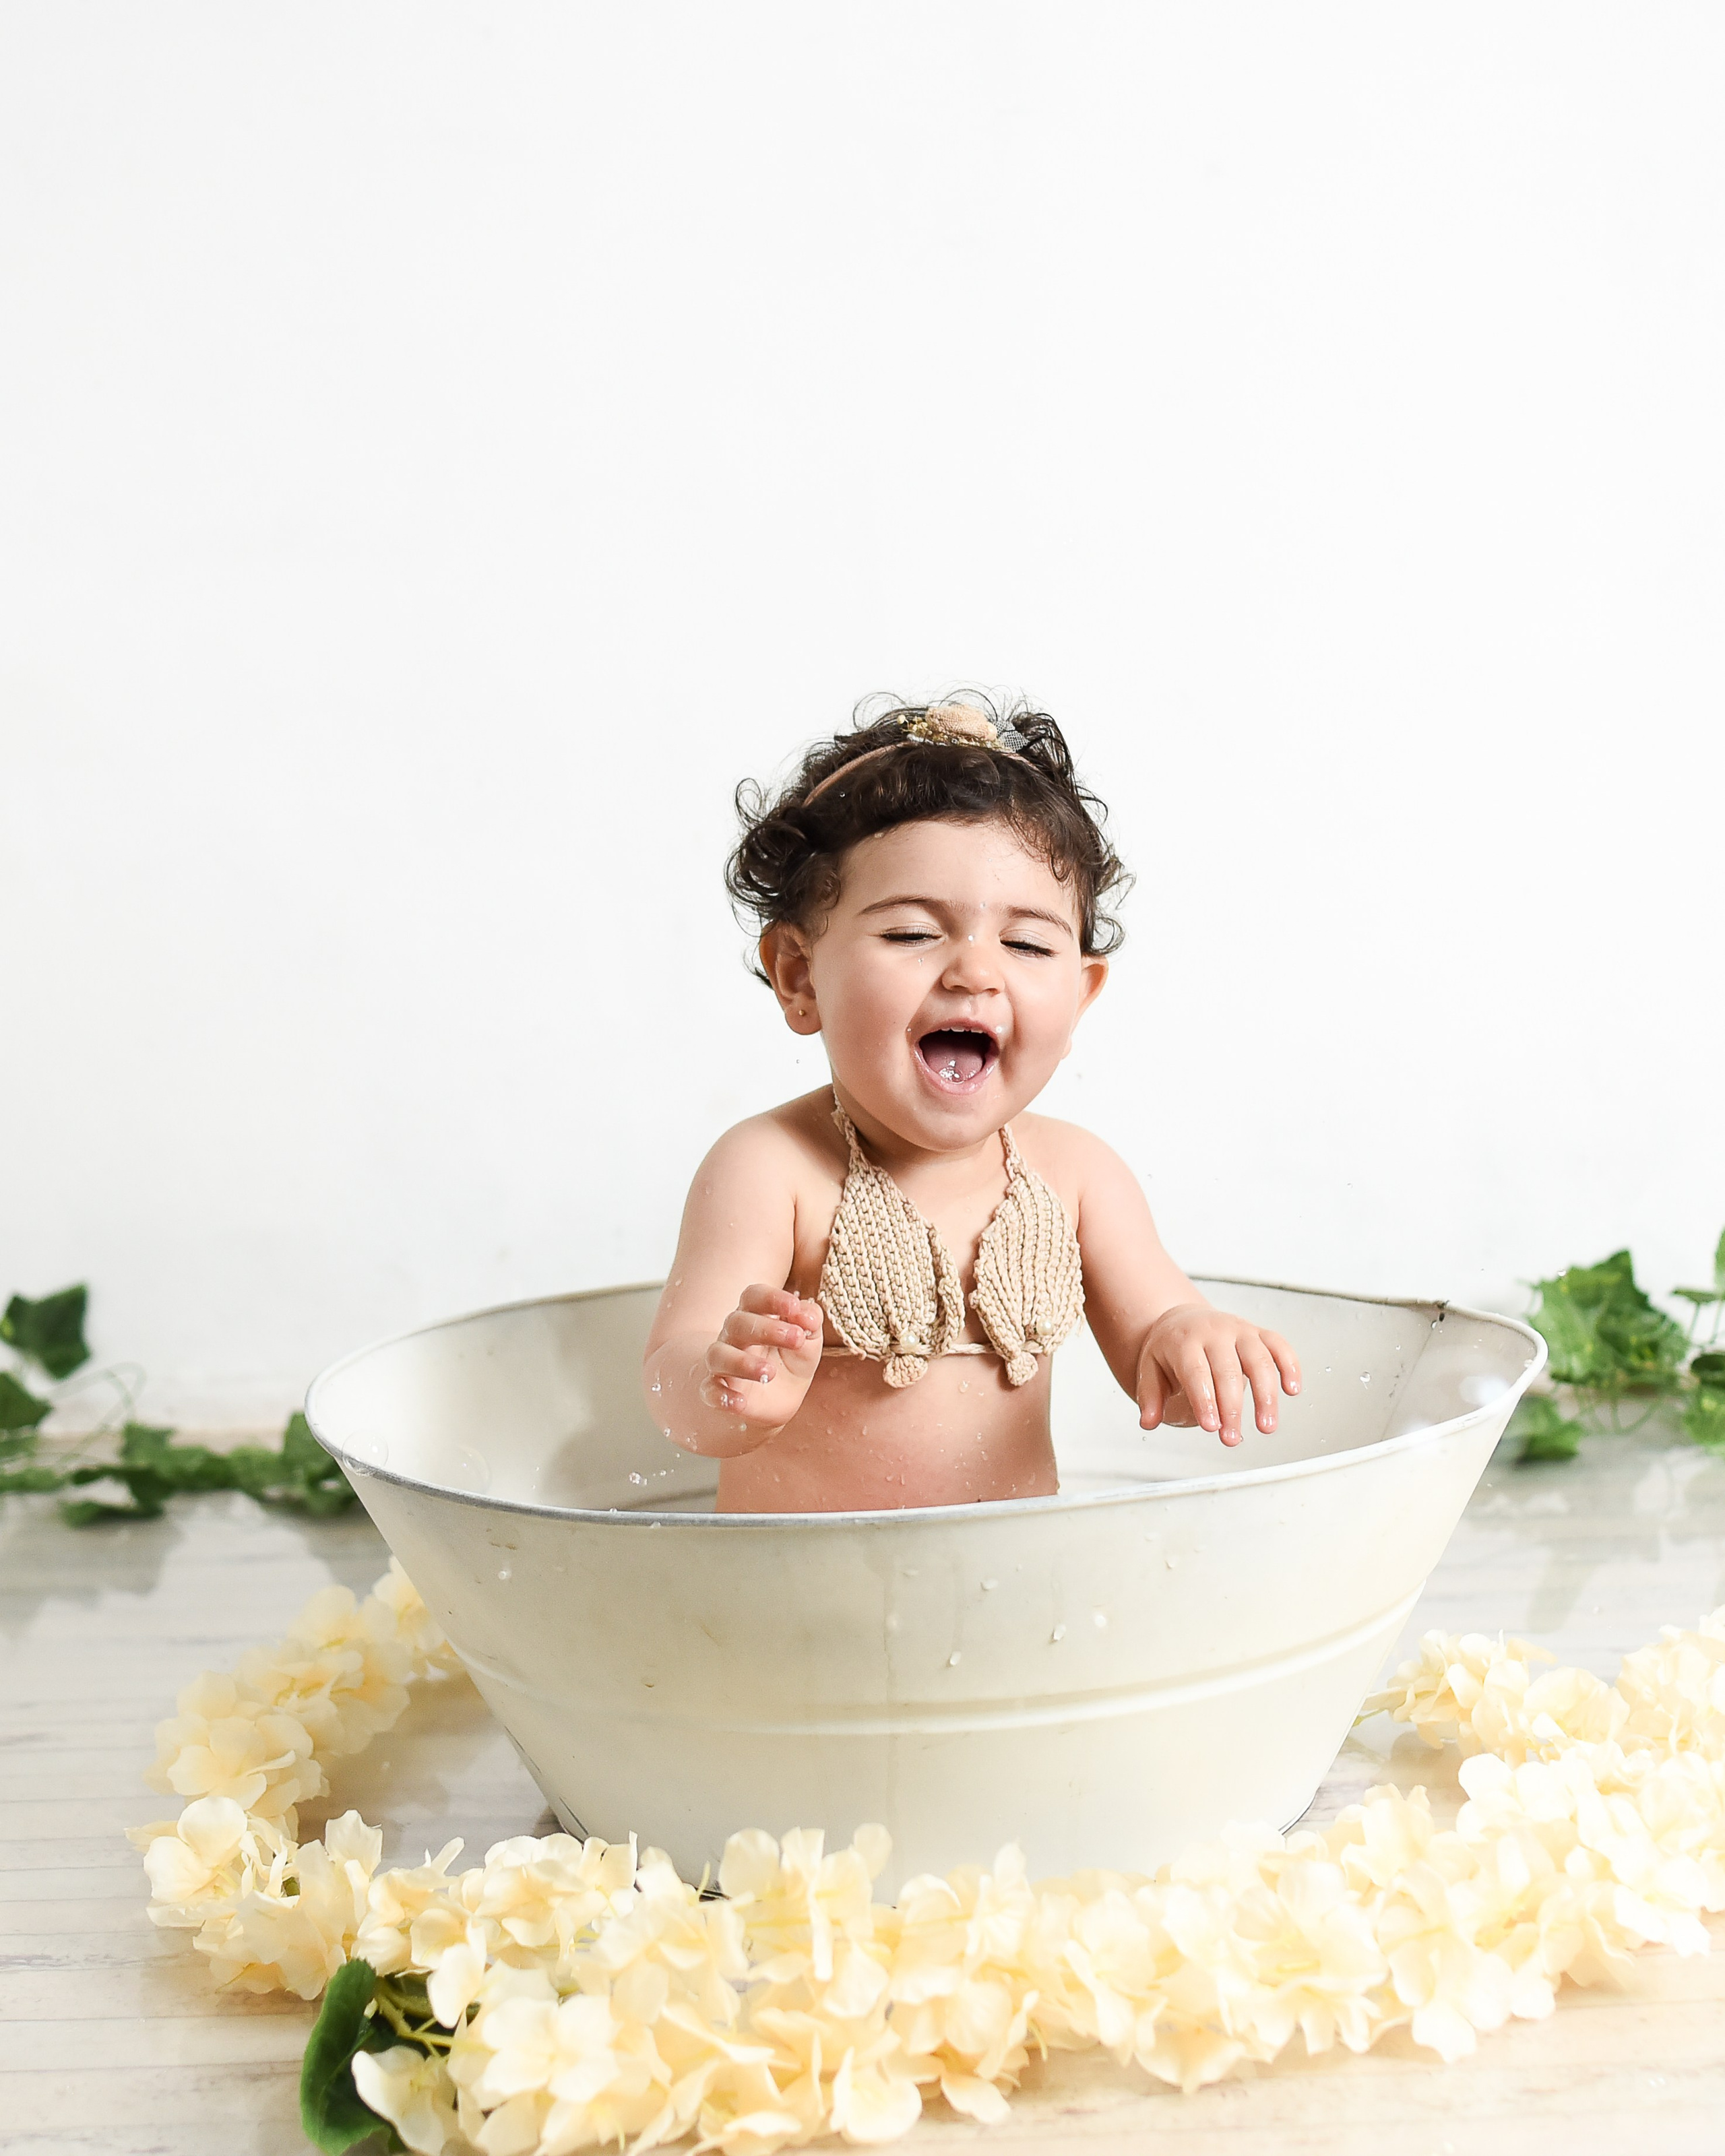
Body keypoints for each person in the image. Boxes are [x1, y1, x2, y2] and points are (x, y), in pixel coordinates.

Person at [643, 697, 1299, 1513]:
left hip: (1008, 1592)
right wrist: (723, 1384)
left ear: (1082, 992)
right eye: (913, 933)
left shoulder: (1078, 1174)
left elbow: (1153, 1345)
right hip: (798, 1603)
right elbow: (672, 1376)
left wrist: (1188, 1339)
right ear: (799, 975)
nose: (975, 973)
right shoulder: (769, 1168)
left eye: (1026, 944)